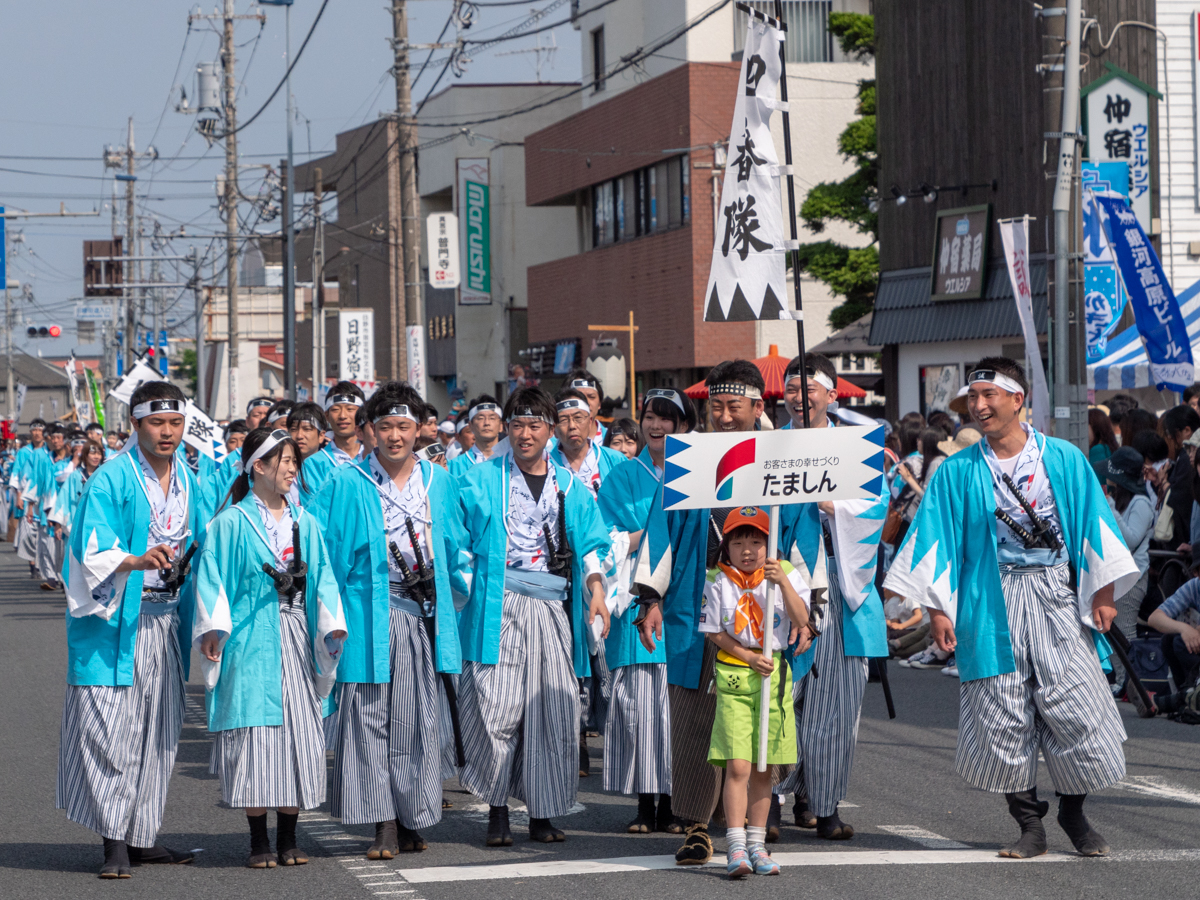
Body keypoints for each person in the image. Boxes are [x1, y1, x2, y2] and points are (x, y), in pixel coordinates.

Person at [884, 358, 1138, 859]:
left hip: (1055, 595)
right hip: (987, 597)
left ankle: (1074, 811)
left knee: (1077, 706)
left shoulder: (1063, 458)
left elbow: (1094, 523)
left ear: (1017, 399)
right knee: (1001, 712)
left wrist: (1103, 593)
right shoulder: (957, 471)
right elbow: (938, 540)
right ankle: (1028, 823)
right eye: (972, 399)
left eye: (988, 396)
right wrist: (939, 611)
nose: (979, 407)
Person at [645, 360, 798, 865]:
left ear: (759, 407)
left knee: (762, 716)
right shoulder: (689, 459)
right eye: (717, 407)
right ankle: (695, 825)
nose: (725, 417)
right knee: (692, 716)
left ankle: (755, 816)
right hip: (698, 605)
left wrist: (805, 606)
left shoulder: (782, 463)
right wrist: (650, 598)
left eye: (735, 407)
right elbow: (661, 535)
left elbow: (800, 539)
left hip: (763, 610)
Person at [57, 382, 206, 878]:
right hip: (117, 624)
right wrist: (136, 560)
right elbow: (90, 545)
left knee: (159, 733)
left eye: (176, 423)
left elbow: (204, 548)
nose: (168, 433)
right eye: (157, 423)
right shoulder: (112, 479)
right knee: (110, 732)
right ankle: (114, 841)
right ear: (136, 424)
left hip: (166, 623)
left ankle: (141, 836)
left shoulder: (190, 480)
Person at [312, 383, 468, 858]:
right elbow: (326, 556)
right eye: (385, 427)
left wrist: (453, 595)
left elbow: (456, 547)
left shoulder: (439, 481)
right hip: (365, 615)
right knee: (368, 718)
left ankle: (411, 816)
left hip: (421, 615)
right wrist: (328, 621)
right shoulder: (345, 482)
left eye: (404, 426)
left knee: (416, 720)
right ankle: (381, 821)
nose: (395, 436)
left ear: (419, 428)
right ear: (370, 431)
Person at [455, 386, 611, 846]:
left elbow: (592, 547)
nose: (526, 434)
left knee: (553, 706)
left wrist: (597, 592)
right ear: (507, 427)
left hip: (550, 605)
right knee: (494, 707)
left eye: (535, 425)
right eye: (518, 425)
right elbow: (457, 547)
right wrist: (468, 595)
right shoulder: (479, 480)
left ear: (551, 430)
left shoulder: (570, 487)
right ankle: (498, 808)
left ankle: (543, 810)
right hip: (496, 605)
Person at [195, 428, 347, 868]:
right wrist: (212, 629)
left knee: (299, 735)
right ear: (257, 466)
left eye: (295, 462)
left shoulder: (305, 522)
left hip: (297, 635)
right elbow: (212, 581)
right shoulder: (227, 524)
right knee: (254, 738)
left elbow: (325, 579)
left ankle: (288, 837)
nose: (292, 469)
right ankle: (258, 840)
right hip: (249, 640)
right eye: (283, 461)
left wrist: (332, 625)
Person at [773, 352, 888, 839]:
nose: (799, 399)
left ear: (831, 394)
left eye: (809, 389)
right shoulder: (769, 445)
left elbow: (874, 509)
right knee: (779, 695)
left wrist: (831, 502)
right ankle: (772, 802)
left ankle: (825, 803)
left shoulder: (855, 447)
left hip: (841, 581)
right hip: (784, 583)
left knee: (835, 705)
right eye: (791, 390)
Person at [595, 388, 699, 834]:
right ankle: (644, 803)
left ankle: (677, 803)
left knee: (677, 710)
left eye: (666, 418)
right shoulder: (622, 475)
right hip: (635, 603)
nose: (656, 426)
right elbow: (606, 537)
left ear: (683, 423)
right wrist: (645, 537)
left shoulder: (697, 472)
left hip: (685, 604)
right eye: (650, 417)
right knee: (640, 712)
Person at [700, 506, 810, 878]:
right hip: (735, 676)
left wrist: (784, 583)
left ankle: (758, 845)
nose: (747, 550)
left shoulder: (787, 573)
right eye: (738, 542)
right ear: (726, 546)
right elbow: (714, 631)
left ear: (769, 544)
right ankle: (734, 846)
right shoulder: (717, 578)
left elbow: (801, 619)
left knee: (765, 766)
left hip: (774, 677)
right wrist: (747, 656)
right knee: (739, 765)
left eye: (756, 542)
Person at [550, 387, 626, 775]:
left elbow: (627, 514)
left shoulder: (614, 462)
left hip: (611, 566)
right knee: (570, 655)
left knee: (608, 657)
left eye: (578, 418)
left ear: (593, 422)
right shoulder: (544, 464)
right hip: (562, 570)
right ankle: (574, 739)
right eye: (563, 420)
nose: (571, 426)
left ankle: (614, 739)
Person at [1094, 447, 1155, 688]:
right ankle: (1121, 680)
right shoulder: (1125, 498)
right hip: (1119, 574)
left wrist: (1108, 504)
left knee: (1125, 629)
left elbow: (1130, 540)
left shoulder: (1140, 502)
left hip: (1134, 575)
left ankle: (1128, 682)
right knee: (1115, 628)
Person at [1147, 550, 1200, 689]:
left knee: (1180, 643)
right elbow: (1154, 618)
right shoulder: (1194, 586)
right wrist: (1184, 628)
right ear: (1196, 573)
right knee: (1169, 640)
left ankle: (1187, 696)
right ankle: (1186, 692)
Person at [10, 419, 47, 580]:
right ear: (31, 432)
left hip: (45, 495)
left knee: (43, 533)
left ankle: (42, 564)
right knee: (30, 532)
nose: (37, 433)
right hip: (27, 496)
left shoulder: (49, 451)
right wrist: (19, 496)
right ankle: (33, 564)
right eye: (34, 430)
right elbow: (18, 473)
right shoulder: (24, 452)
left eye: (40, 430)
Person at [49, 439, 106, 540]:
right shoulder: (75, 476)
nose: (96, 457)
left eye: (98, 454)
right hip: (77, 521)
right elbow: (64, 498)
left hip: (98, 524)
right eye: (92, 453)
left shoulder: (103, 476)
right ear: (85, 455)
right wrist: (58, 524)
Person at [447, 394, 505, 478]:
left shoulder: (513, 461)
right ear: (471, 426)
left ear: (501, 426)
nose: (487, 423)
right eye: (480, 418)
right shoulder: (454, 466)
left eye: (492, 418)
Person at [287, 403, 331, 504]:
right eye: (293, 429)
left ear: (321, 435)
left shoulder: (330, 470)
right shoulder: (277, 469)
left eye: (307, 429)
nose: (299, 435)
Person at [324, 382, 367, 464]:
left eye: (350, 409)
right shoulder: (315, 463)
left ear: (362, 414)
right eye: (336, 409)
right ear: (327, 416)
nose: (342, 416)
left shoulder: (378, 457)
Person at [562, 369, 607, 445]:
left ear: (599, 404)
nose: (587, 402)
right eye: (580, 397)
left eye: (591, 397)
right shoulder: (550, 445)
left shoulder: (613, 439)